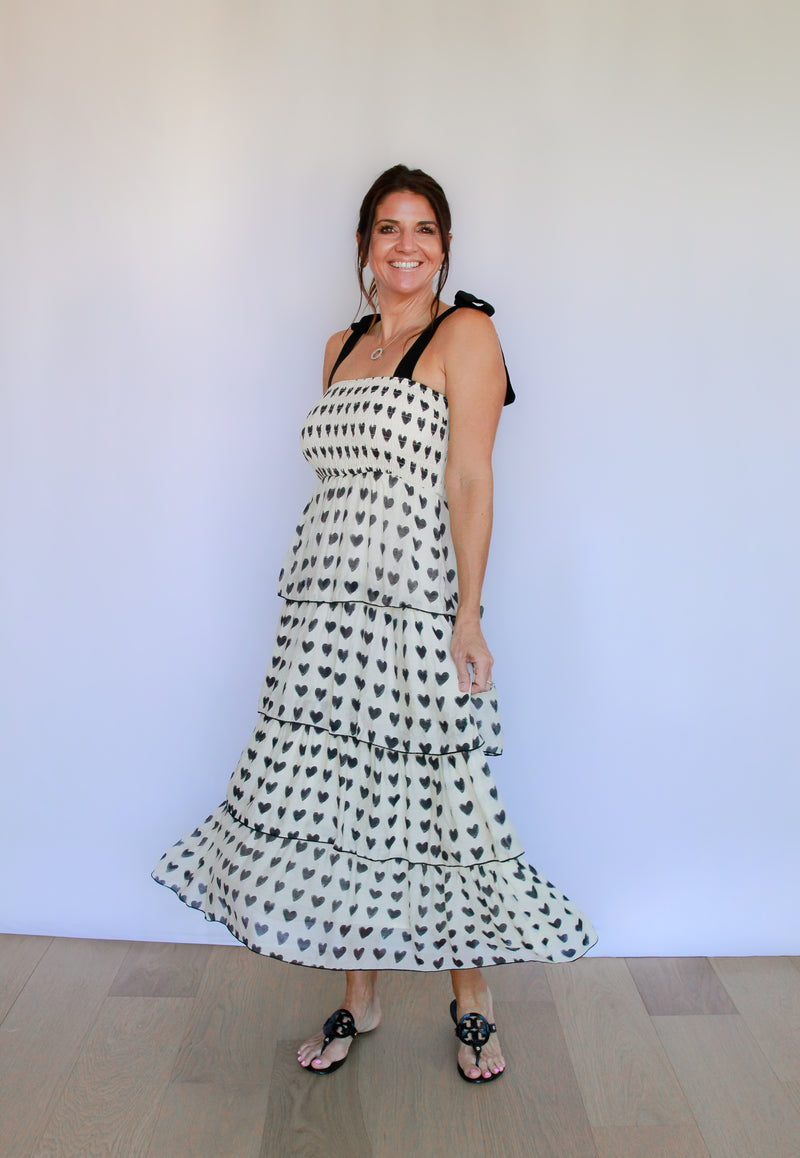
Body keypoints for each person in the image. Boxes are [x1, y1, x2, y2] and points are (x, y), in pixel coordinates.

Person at [153, 164, 597, 1084]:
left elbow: (469, 477)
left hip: (415, 603)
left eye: (424, 229)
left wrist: (468, 616)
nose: (407, 245)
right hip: (324, 607)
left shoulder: (466, 334)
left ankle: (471, 998)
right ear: (363, 246)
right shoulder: (340, 346)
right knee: (344, 795)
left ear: (445, 246)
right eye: (389, 228)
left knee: (440, 798)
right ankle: (362, 995)